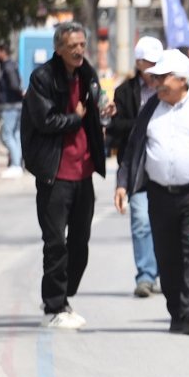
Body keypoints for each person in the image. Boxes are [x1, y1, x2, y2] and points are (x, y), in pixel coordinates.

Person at [115, 50, 189, 335]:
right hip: (158, 194)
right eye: (155, 77)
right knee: (167, 255)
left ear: (183, 80)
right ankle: (178, 311)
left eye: (163, 77)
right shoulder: (150, 110)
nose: (157, 83)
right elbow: (133, 150)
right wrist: (123, 183)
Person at [22, 22, 113, 329]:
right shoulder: (43, 78)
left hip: (83, 172)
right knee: (55, 243)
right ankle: (54, 306)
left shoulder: (87, 74)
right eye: (72, 46)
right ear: (58, 48)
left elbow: (95, 106)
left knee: (80, 242)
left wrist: (104, 110)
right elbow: (45, 120)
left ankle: (63, 296)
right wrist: (75, 118)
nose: (78, 50)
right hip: (55, 173)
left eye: (81, 44)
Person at [109, 36, 164, 298]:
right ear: (139, 62)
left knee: (166, 221)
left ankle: (168, 271)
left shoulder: (171, 87)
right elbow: (116, 127)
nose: (152, 68)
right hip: (137, 166)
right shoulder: (124, 92)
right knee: (142, 220)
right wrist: (142, 127)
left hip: (165, 165)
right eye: (148, 62)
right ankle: (145, 276)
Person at [0, 43, 24, 178]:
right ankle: (17, 164)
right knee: (16, 135)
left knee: (7, 135)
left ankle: (16, 165)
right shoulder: (11, 65)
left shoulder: (7, 67)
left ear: (3, 51)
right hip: (16, 105)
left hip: (10, 106)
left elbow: (14, 85)